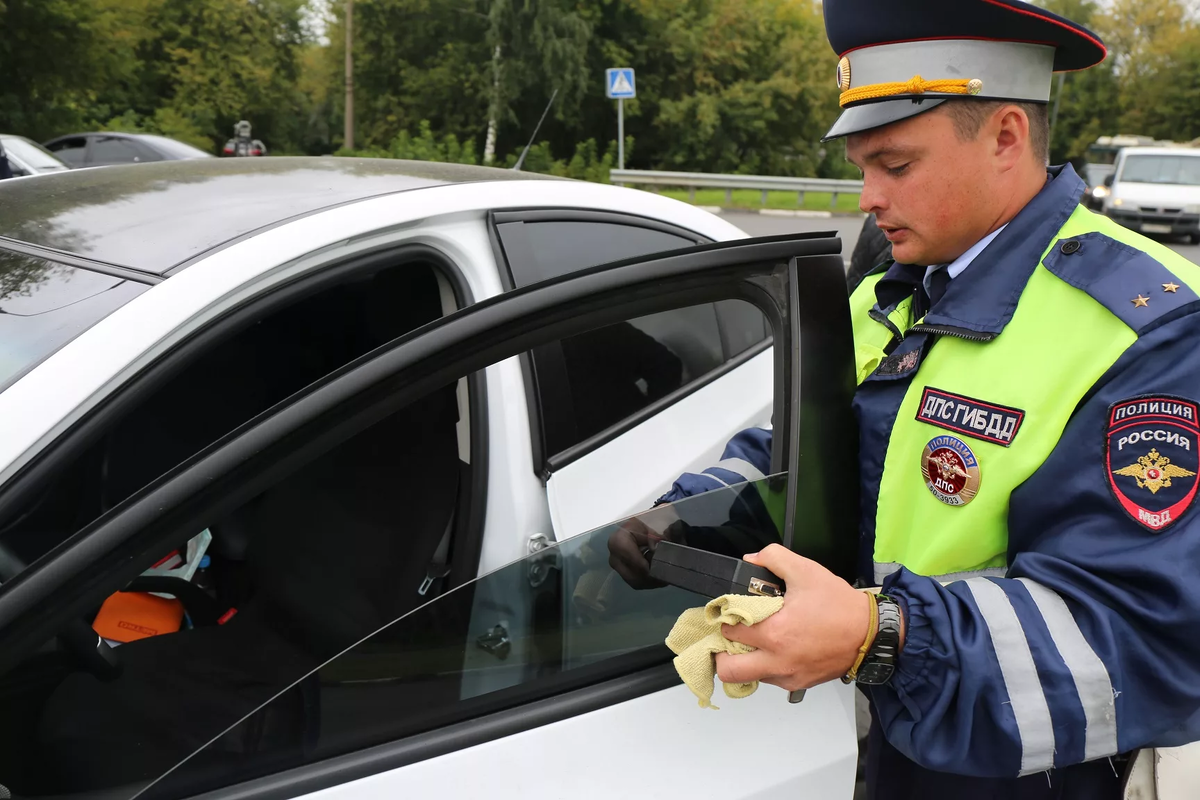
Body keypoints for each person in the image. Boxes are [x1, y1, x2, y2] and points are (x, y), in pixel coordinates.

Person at [618, 1, 1200, 797]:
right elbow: (810, 452)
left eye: (895, 166)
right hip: (874, 738)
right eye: (861, 167)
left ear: (1005, 137)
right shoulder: (893, 293)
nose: (867, 198)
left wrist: (883, 637)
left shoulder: (1147, 329)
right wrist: (683, 517)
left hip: (1015, 772)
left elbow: (1143, 637)